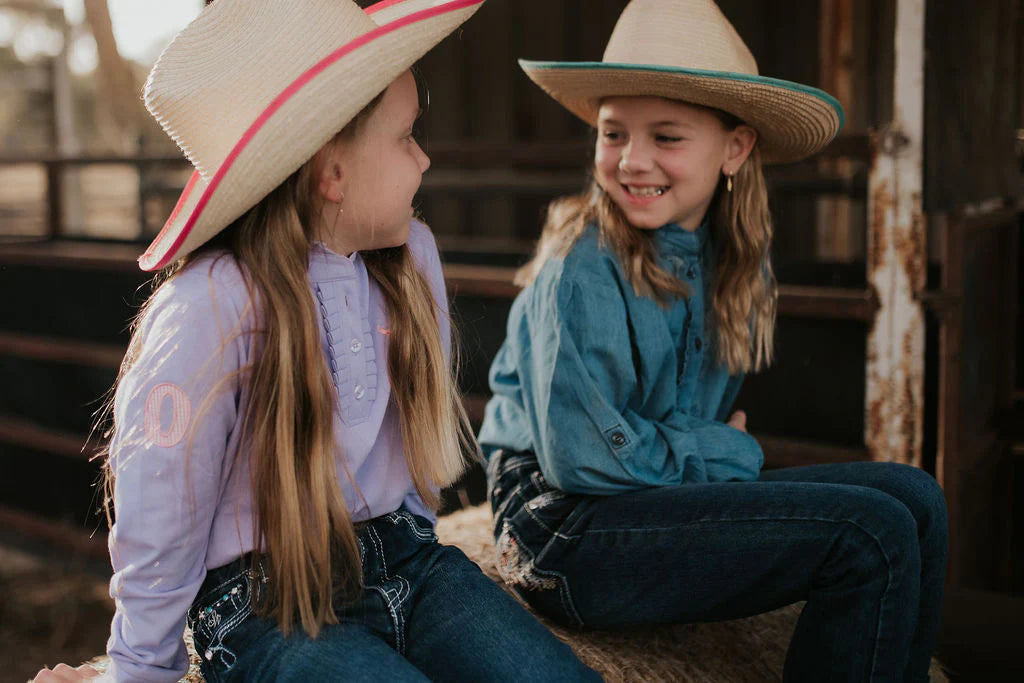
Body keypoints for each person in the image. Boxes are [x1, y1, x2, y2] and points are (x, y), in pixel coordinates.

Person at [32, 1, 599, 681]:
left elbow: (408, 441)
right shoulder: (213, 303)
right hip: (267, 602)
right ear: (331, 172)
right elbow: (163, 500)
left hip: (411, 563)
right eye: (406, 136)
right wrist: (139, 667)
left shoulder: (410, 257)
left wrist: (417, 521)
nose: (424, 157)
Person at [478, 0, 948, 681]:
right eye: (614, 133)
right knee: (867, 536)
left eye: (666, 137)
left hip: (637, 503)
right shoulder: (581, 267)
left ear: (736, 147)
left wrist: (696, 451)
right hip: (561, 530)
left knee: (916, 499)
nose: (632, 161)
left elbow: (663, 435)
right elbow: (581, 458)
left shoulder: (732, 258)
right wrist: (720, 449)